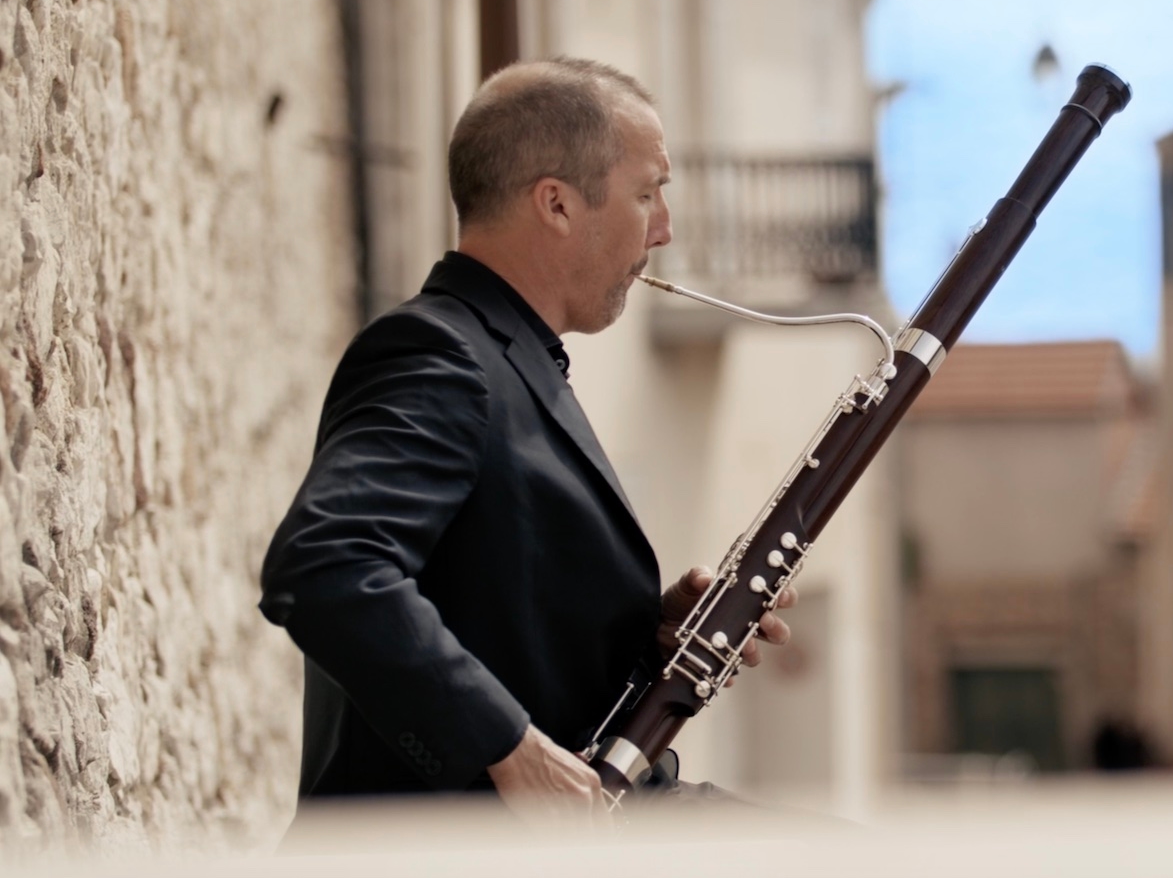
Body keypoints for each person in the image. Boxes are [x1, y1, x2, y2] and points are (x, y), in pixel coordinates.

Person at [258, 57, 792, 824]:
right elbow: (326, 564)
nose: (665, 229)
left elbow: (497, 613)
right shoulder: (439, 354)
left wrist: (645, 636)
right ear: (557, 205)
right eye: (647, 194)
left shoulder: (506, 360)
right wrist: (509, 746)